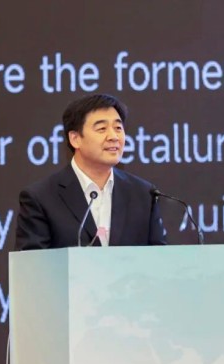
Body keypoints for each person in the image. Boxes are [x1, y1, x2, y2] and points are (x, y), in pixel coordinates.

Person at [14, 93, 167, 250]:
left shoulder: (143, 194)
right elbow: (32, 262)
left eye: (118, 128)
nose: (114, 137)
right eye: (102, 129)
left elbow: (159, 258)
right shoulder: (41, 198)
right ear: (75, 139)